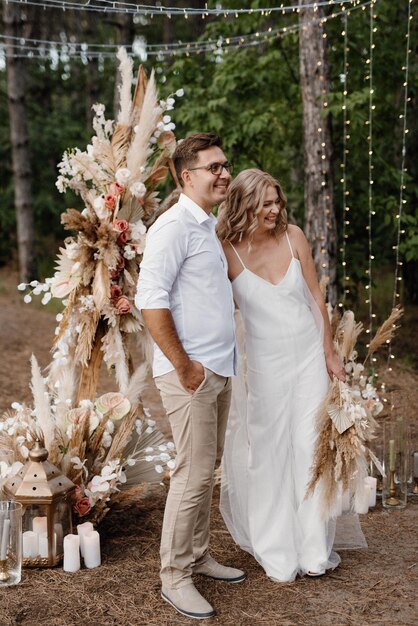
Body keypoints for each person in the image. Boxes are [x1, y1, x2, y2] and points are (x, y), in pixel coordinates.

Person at [135, 133, 245, 620]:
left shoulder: (207, 227)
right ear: (186, 176)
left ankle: (198, 555)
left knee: (206, 468)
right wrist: (184, 366)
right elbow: (150, 301)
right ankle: (174, 576)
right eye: (213, 167)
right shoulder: (173, 227)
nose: (224, 173)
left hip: (218, 366)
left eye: (225, 165)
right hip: (190, 374)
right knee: (193, 473)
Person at [217, 168, 345, 582]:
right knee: (268, 454)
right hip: (265, 366)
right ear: (244, 205)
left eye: (276, 201)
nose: (274, 210)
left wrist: (329, 353)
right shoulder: (226, 251)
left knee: (309, 448)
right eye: (265, 203)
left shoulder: (294, 237)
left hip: (308, 356)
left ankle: (311, 548)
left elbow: (314, 298)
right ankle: (276, 549)